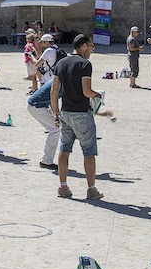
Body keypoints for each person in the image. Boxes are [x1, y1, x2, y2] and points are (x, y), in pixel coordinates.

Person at [51, 34, 107, 200]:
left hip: (65, 112)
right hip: (81, 113)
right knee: (88, 151)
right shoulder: (85, 64)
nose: (91, 49)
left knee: (64, 149)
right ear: (83, 46)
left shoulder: (61, 63)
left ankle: (63, 186)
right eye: (90, 46)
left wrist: (55, 113)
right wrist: (98, 95)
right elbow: (86, 91)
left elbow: (54, 91)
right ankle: (91, 188)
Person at [26, 79, 60, 170]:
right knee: (55, 130)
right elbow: (53, 97)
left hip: (40, 105)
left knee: (55, 129)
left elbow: (53, 99)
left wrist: (56, 114)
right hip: (36, 106)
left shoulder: (59, 79)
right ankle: (46, 160)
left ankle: (47, 160)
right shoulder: (63, 82)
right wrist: (56, 115)